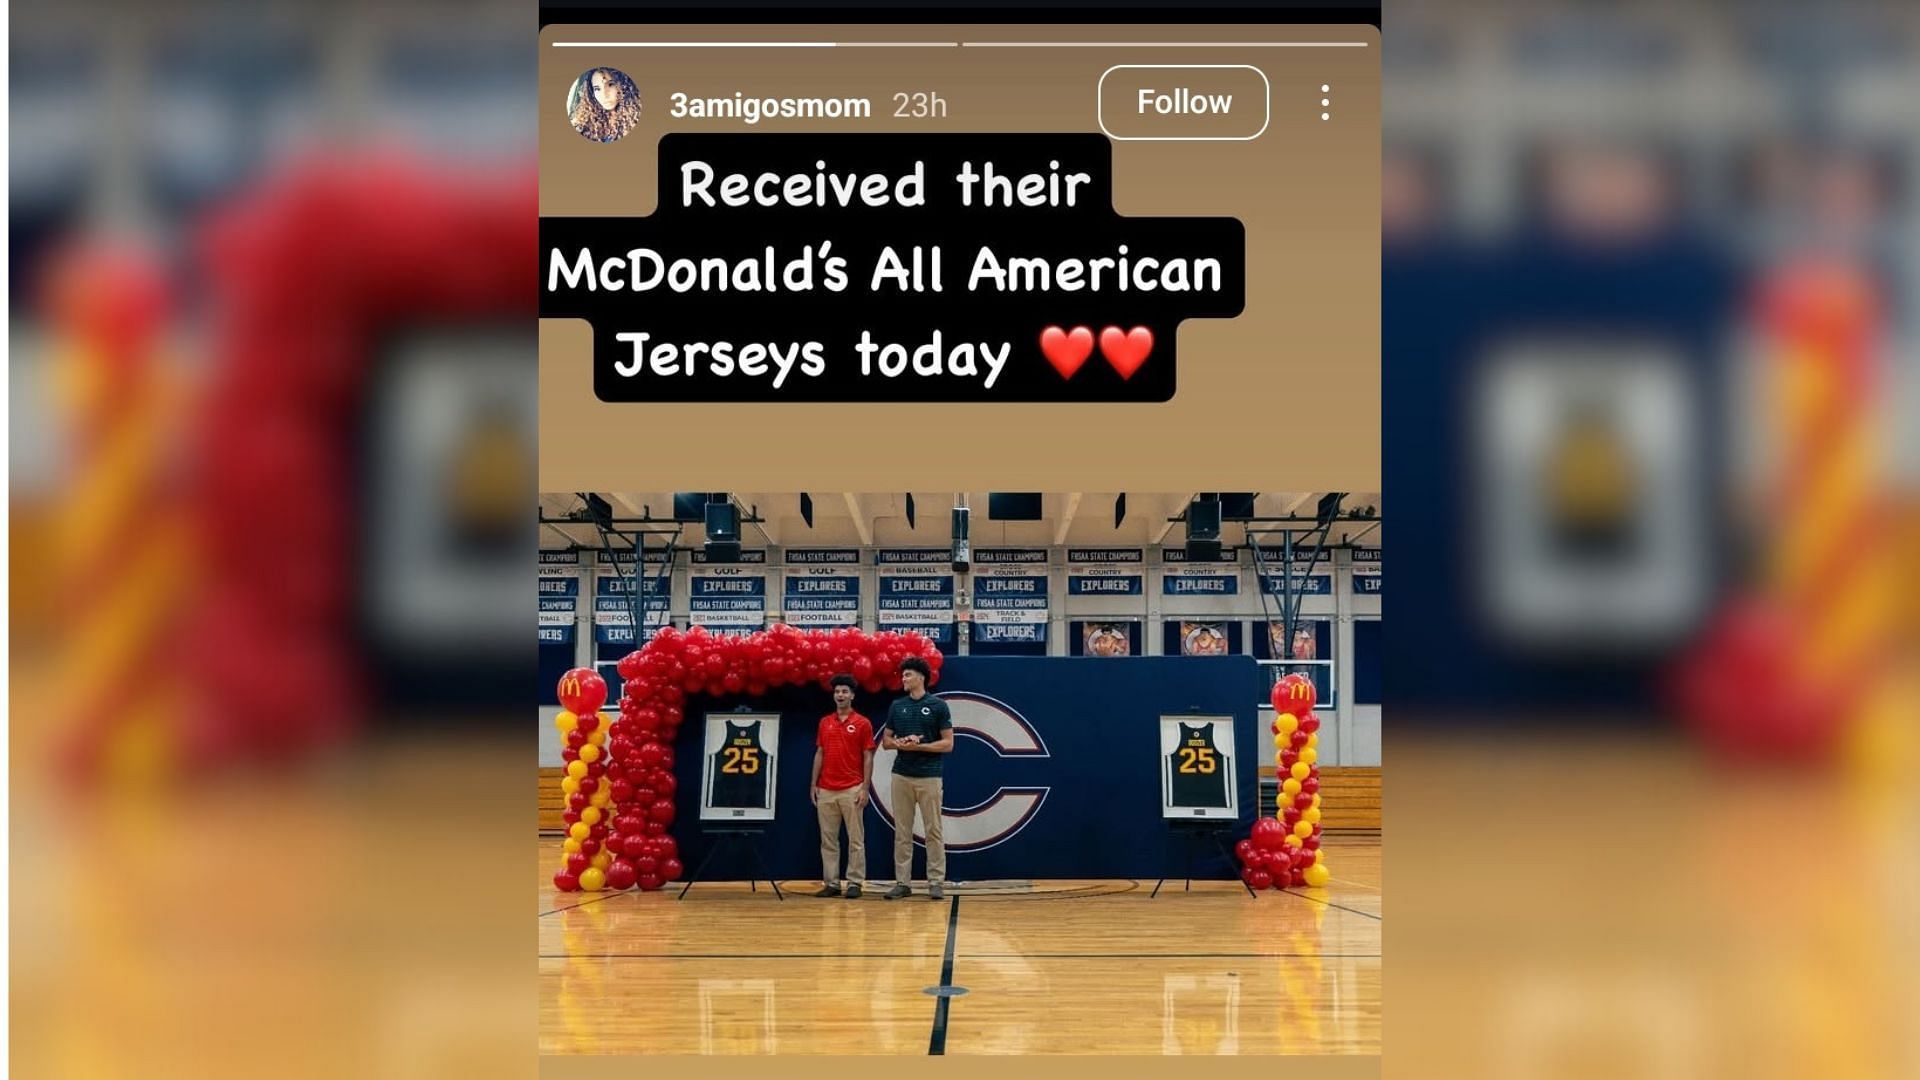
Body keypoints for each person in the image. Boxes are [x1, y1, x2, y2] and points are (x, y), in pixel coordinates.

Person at [880, 656, 954, 900]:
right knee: (902, 831)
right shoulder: (896, 706)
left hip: (929, 777)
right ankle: (903, 882)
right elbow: (886, 742)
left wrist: (920, 746)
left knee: (933, 830)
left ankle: (935, 882)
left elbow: (948, 744)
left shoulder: (938, 706)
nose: (904, 679)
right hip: (901, 775)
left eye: (908, 675)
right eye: (903, 675)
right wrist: (900, 742)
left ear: (921, 678)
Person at [811, 674, 874, 899]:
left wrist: (865, 788)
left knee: (855, 840)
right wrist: (813, 784)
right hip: (826, 789)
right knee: (828, 840)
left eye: (845, 691)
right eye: (837, 691)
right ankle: (832, 883)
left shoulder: (862, 723)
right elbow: (820, 753)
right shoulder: (825, 722)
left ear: (852, 695)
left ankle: (855, 882)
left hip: (852, 788)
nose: (840, 695)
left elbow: (868, 756)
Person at [569, 68, 642, 143]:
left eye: (610, 85)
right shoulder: (583, 124)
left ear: (623, 86)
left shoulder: (635, 121)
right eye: (597, 89)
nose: (604, 95)